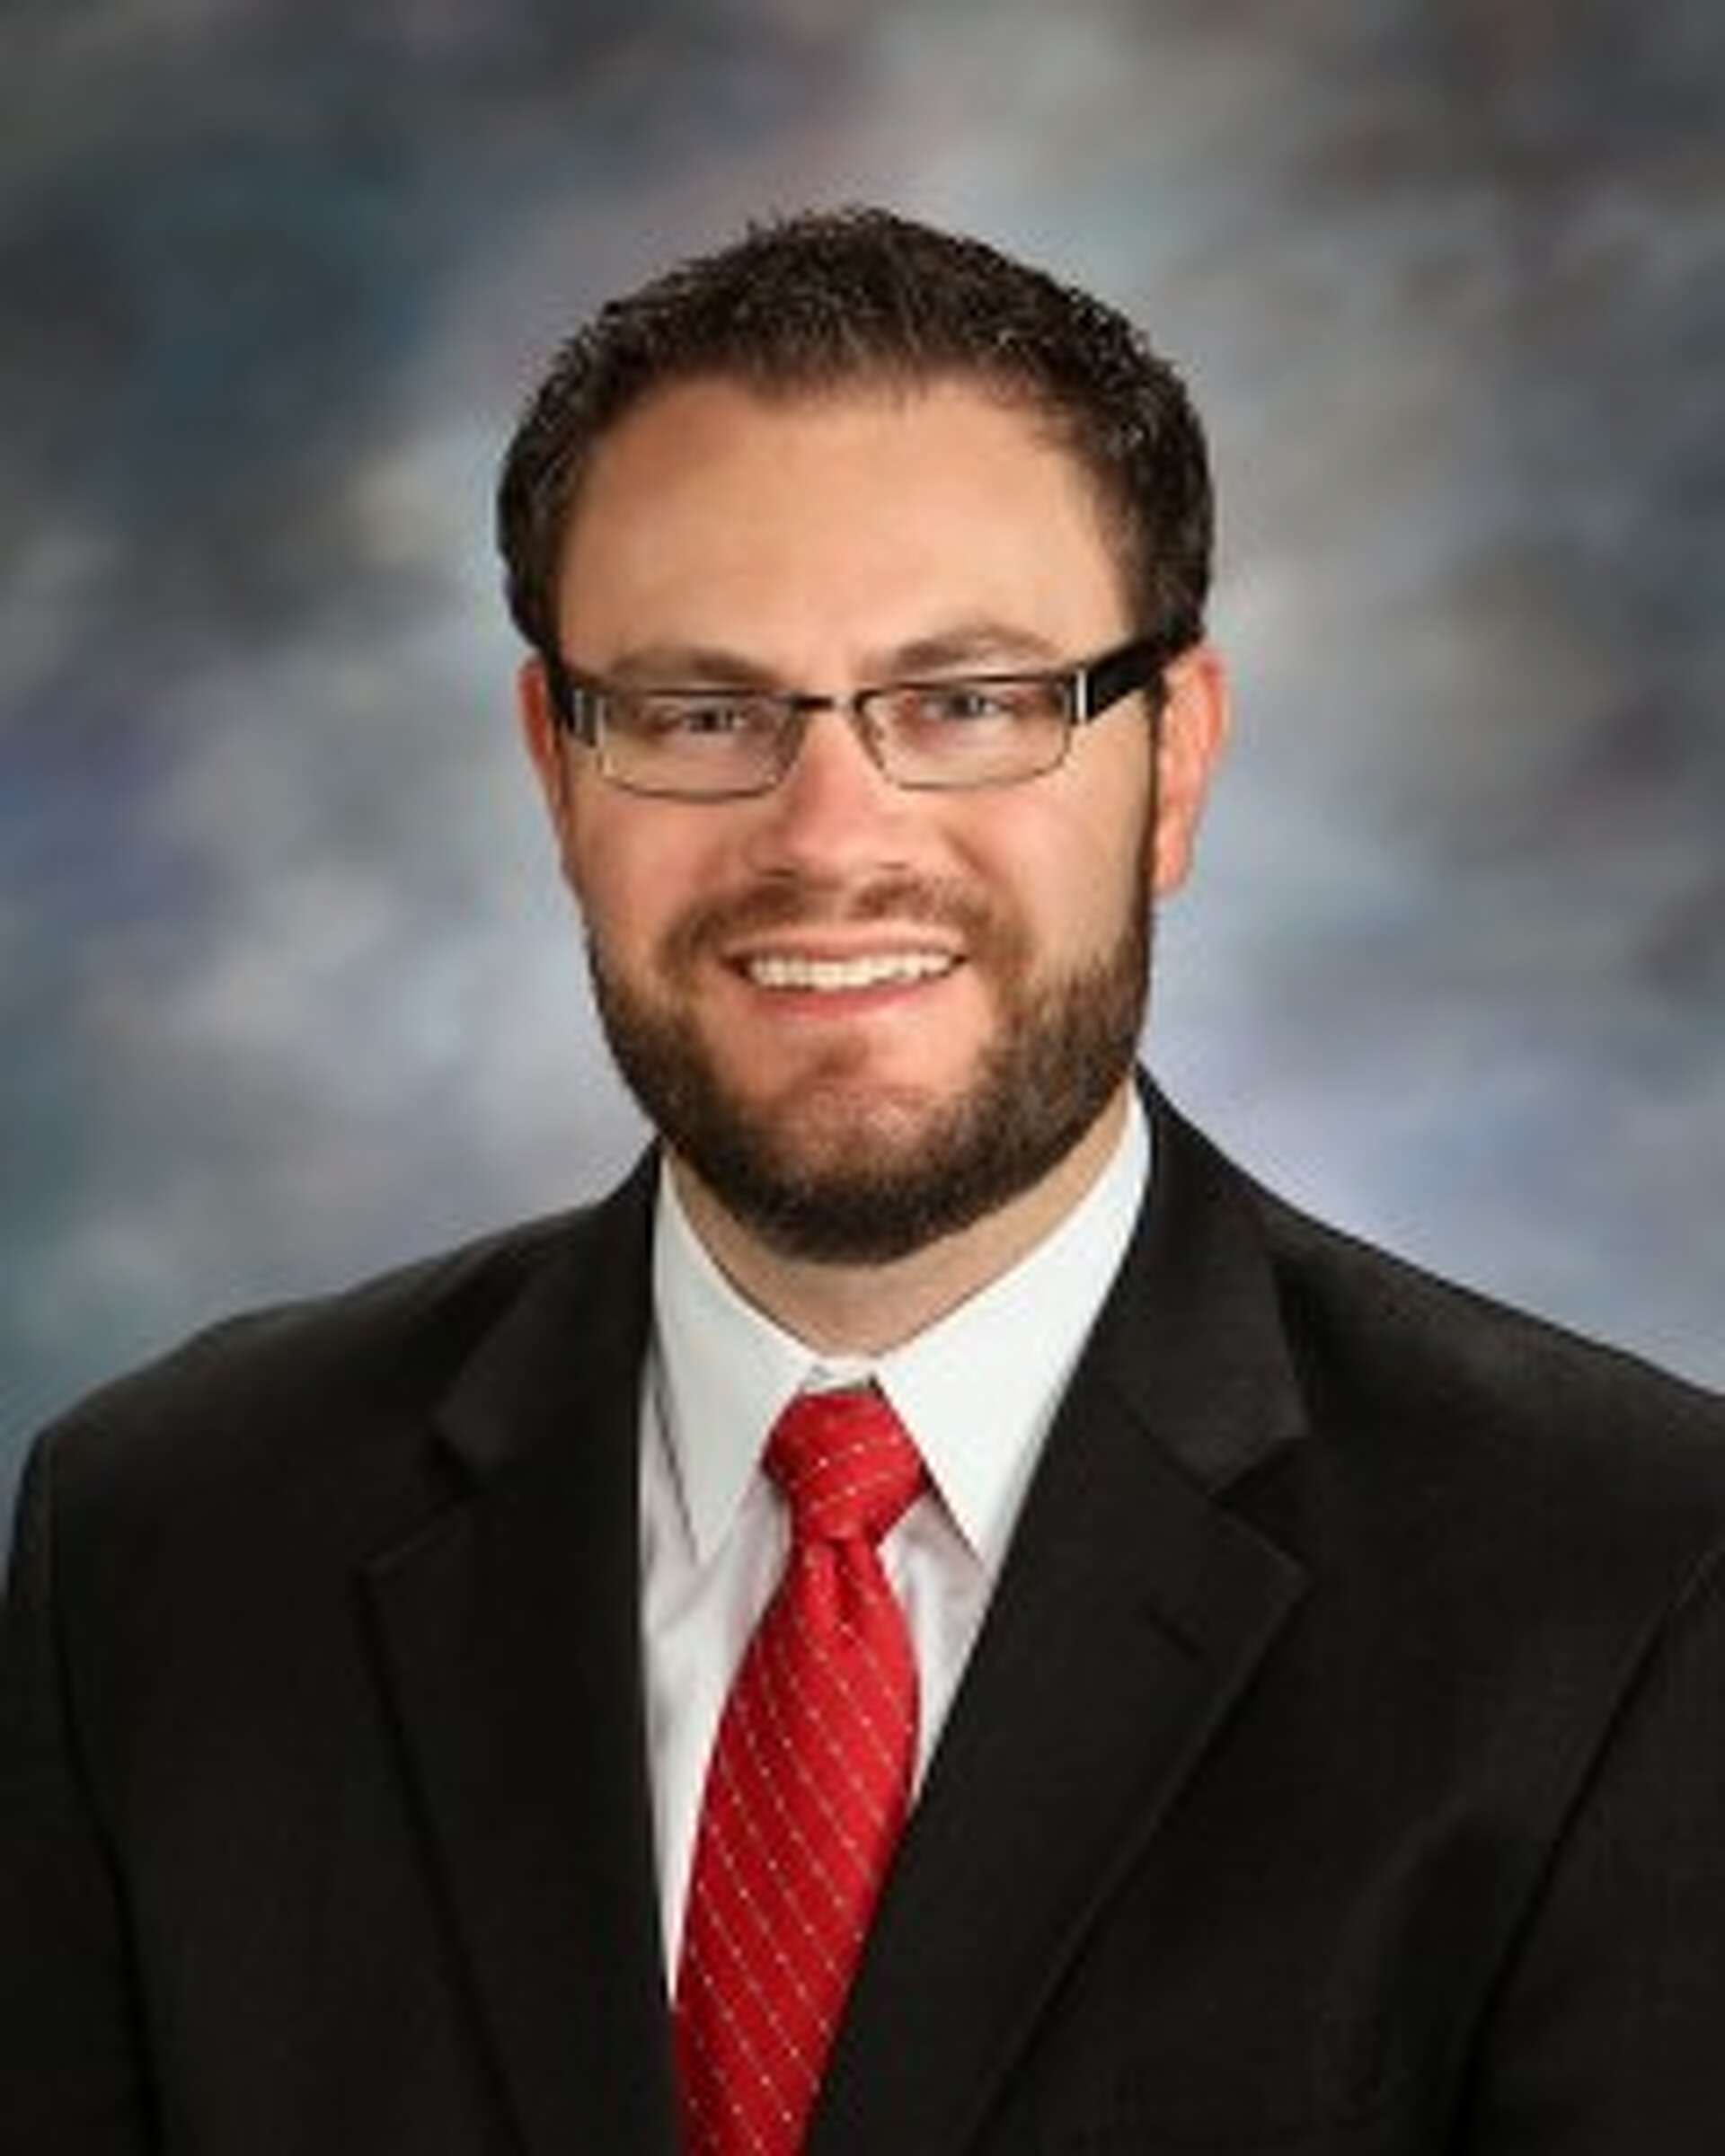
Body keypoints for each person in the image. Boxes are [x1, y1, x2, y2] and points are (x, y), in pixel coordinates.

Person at [4, 208, 1724, 2156]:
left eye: (969, 702)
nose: (830, 838)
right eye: (700, 713)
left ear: (1173, 762)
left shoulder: (1632, 1590)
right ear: (560, 770)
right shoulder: (164, 1545)